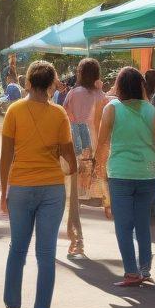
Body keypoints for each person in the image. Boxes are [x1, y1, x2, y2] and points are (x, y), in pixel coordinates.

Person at [0, 60, 77, 308]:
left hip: (20, 186)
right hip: (52, 189)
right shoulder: (59, 115)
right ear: (53, 84)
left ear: (28, 82)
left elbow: (6, 154)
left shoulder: (14, 110)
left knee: (17, 249)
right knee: (46, 253)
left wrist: (3, 191)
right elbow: (71, 159)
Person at [94, 66, 155, 287]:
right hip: (148, 174)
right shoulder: (149, 109)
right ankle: (145, 268)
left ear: (119, 86)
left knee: (123, 225)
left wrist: (98, 169)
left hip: (120, 173)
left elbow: (102, 143)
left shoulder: (111, 109)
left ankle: (131, 271)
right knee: (141, 223)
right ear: (141, 85)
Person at [62, 57, 108, 257]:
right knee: (102, 189)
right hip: (98, 150)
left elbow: (65, 119)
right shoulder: (102, 96)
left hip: (77, 149)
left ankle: (77, 240)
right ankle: (109, 206)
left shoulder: (73, 94)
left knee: (73, 199)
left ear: (80, 74)